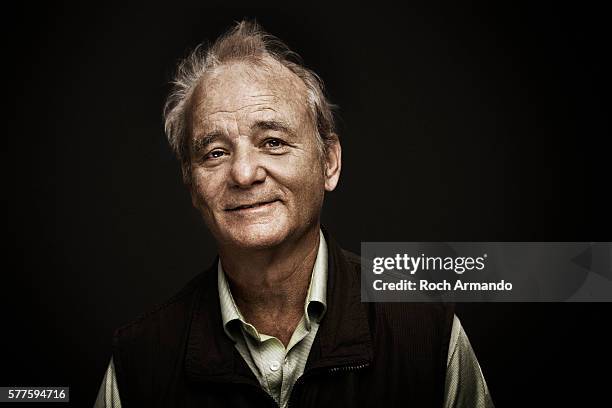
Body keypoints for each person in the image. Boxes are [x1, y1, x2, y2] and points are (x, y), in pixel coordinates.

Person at [95, 20, 494, 408]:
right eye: (215, 152)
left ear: (329, 163)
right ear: (192, 184)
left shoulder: (427, 334)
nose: (244, 173)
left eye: (272, 141)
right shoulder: (140, 360)